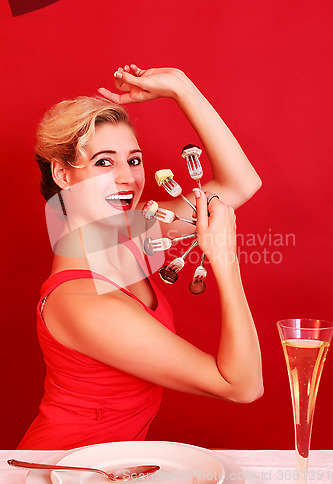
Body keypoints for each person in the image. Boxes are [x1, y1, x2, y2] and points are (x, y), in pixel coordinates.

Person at [18, 65, 263, 450]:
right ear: (63, 175)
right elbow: (242, 386)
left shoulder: (127, 232)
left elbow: (240, 184)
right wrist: (225, 262)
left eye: (133, 160)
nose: (128, 178)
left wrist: (181, 87)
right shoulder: (84, 303)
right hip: (60, 470)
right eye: (103, 162)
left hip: (113, 470)